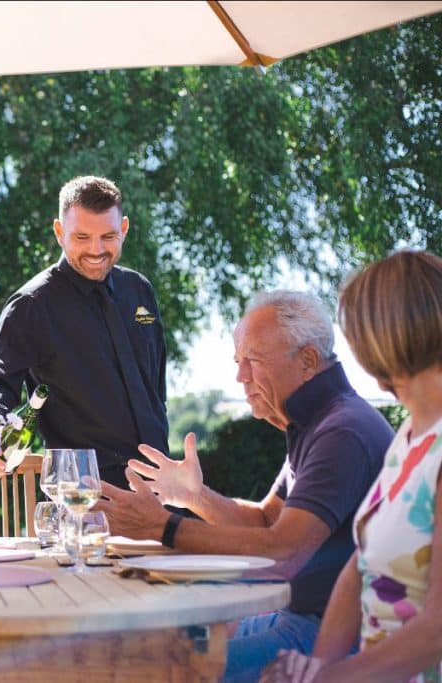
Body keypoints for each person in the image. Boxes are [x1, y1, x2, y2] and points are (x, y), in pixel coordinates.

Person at [95, 290, 394, 683]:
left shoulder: (342, 432)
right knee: (151, 643)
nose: (240, 377)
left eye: (253, 361)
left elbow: (284, 553)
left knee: (160, 669)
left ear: (307, 361)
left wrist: (162, 527)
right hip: (298, 617)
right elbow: (265, 521)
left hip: (331, 640)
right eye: (239, 363)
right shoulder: (322, 421)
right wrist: (193, 497)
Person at [260, 250, 442, 683]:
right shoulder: (410, 437)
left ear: (384, 337)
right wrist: (317, 666)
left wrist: (327, 680)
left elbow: (436, 630)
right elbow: (361, 566)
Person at [0, 176, 168, 487]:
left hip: (163, 485)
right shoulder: (32, 305)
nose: (96, 249)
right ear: (59, 232)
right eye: (81, 237)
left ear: (125, 229)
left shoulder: (140, 290)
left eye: (108, 236)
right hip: (85, 492)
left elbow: (156, 388)